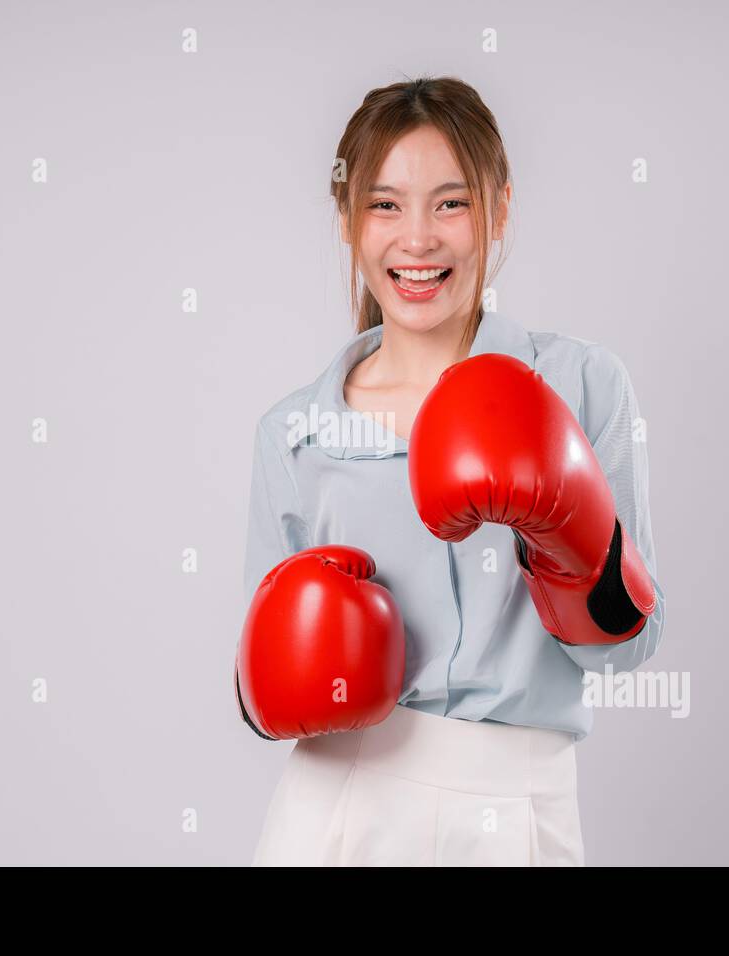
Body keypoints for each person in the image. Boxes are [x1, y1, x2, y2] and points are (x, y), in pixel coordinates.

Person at [235, 75, 666, 866]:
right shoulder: (293, 434)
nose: (418, 239)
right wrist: (300, 669)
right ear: (347, 221)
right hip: (333, 804)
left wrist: (560, 540)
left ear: (500, 209)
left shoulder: (580, 385)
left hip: (517, 798)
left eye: (451, 203)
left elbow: (629, 649)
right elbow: (263, 693)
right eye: (385, 204)